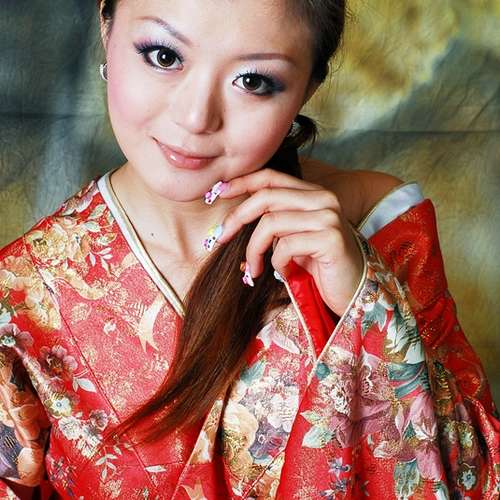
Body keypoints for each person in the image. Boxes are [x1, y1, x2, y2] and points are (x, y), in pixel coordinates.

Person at [0, 0, 498, 498]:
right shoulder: (18, 294)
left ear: (307, 87)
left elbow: (476, 480)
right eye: (164, 56)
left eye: (254, 81)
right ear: (107, 27)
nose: (195, 117)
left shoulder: (375, 222)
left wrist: (366, 306)